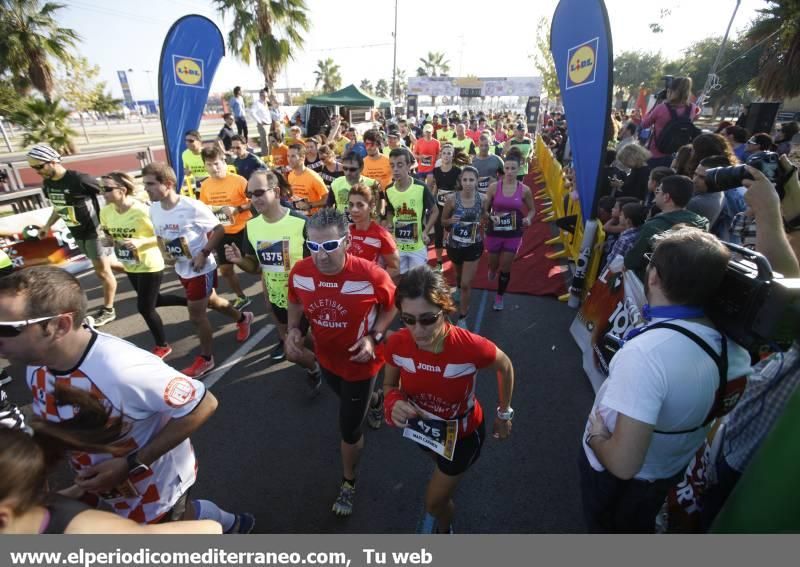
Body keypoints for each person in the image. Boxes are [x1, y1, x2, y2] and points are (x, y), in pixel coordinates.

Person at [0, 266, 254, 532]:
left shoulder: (123, 369)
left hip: (155, 484)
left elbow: (204, 404)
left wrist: (132, 463)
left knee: (168, 531)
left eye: (8, 329)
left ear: (59, 325)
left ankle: (227, 524)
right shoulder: (35, 365)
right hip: (106, 482)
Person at [580, 228, 752, 533]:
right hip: (667, 470)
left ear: (654, 277)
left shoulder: (647, 355)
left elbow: (623, 464)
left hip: (617, 481)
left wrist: (596, 436)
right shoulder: (736, 351)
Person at [383, 265, 514, 533]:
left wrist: (504, 414)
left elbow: (505, 366)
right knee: (440, 472)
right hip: (424, 431)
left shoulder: (470, 347)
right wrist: (392, 403)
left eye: (428, 319)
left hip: (464, 436)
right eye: (408, 319)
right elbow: (388, 384)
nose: (417, 330)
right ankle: (447, 480)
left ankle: (445, 530)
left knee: (434, 503)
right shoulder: (397, 343)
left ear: (445, 310)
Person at [286, 208, 397, 516]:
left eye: (330, 246)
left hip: (361, 365)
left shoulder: (371, 274)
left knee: (349, 428)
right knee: (349, 399)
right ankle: (376, 400)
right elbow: (294, 300)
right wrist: (294, 330)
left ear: (347, 242)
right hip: (326, 359)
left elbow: (391, 308)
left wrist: (374, 337)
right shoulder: (300, 272)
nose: (321, 255)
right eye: (314, 245)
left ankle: (348, 482)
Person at [0, 397, 221, 534]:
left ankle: (224, 518)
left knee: (179, 516)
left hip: (162, 489)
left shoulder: (83, 531)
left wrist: (132, 463)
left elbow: (208, 531)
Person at [144, 162, 253, 378]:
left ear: (168, 184)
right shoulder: (154, 208)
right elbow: (160, 236)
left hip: (200, 269)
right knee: (212, 301)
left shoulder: (191, 207)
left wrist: (204, 253)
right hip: (181, 267)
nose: (146, 189)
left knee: (196, 315)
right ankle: (243, 318)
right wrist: (164, 253)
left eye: (150, 184)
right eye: (145, 184)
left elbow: (219, 229)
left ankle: (205, 359)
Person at [224, 169, 321, 383]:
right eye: (250, 194)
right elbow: (255, 267)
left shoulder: (301, 223)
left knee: (296, 349)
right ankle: (319, 366)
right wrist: (240, 260)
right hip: (278, 298)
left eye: (259, 192)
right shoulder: (252, 227)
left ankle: (321, 367)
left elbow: (318, 264)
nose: (254, 199)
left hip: (306, 297)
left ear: (276, 192)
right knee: (300, 343)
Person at [26, 144, 121, 328]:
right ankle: (143, 277)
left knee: (102, 272)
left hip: (95, 231)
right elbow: (58, 206)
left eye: (39, 166)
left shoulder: (79, 179)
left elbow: (110, 193)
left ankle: (109, 310)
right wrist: (47, 225)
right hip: (77, 232)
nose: (37, 171)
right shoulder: (48, 183)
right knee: (110, 265)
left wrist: (117, 217)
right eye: (33, 168)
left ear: (53, 162)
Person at [99, 172, 186, 358]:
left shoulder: (141, 211)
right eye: (101, 189)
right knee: (156, 300)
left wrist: (140, 243)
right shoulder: (106, 211)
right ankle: (194, 303)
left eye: (106, 189)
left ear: (122, 191)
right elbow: (109, 235)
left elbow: (159, 236)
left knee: (145, 307)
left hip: (149, 263)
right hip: (130, 264)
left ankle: (162, 345)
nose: (102, 193)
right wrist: (108, 241)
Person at [198, 146, 253, 310]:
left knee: (252, 267)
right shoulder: (206, 185)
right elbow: (204, 207)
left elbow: (255, 201)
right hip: (222, 232)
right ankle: (242, 297)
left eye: (216, 164)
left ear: (224, 161)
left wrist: (238, 209)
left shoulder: (239, 181)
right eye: (209, 165)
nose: (213, 168)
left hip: (244, 230)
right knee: (226, 269)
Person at [482, 147, 535, 311]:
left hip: (514, 232)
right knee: (493, 263)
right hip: (495, 231)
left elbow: (533, 210)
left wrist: (528, 219)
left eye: (513, 168)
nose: (510, 172)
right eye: (507, 168)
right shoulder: (493, 187)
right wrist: (490, 216)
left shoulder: (524, 190)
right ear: (503, 168)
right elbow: (484, 210)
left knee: (505, 266)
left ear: (519, 169)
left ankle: (499, 297)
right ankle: (492, 269)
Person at [624, 175, 709, 275]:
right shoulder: (702, 223)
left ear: (666, 197)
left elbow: (632, 261)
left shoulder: (654, 226)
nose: (656, 194)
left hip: (652, 281)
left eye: (659, 190)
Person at [441, 166, 484, 328]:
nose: (468, 183)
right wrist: (449, 222)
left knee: (467, 283)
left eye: (471, 180)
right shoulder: (452, 199)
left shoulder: (483, 199)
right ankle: (458, 287)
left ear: (477, 181)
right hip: (455, 245)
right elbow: (443, 220)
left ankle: (463, 317)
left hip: (474, 245)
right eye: (465, 180)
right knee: (458, 276)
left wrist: (487, 220)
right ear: (460, 181)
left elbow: (485, 215)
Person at [386, 148, 439, 274]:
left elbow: (435, 211)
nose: (395, 169)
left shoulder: (421, 187)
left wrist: (426, 231)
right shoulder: (388, 190)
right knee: (399, 280)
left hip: (418, 246)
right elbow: (389, 211)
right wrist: (390, 224)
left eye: (400, 165)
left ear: (409, 165)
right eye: (392, 166)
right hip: (398, 245)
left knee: (417, 282)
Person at [641, 76, 699, 167]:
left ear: (671, 91)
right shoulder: (693, 108)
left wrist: (657, 103)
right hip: (676, 157)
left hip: (655, 154)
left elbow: (644, 124)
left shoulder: (661, 108)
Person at [347, 182, 399, 280]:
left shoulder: (382, 235)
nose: (354, 209)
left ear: (371, 206)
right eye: (351, 205)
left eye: (360, 205)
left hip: (371, 293)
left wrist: (372, 282)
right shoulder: (345, 233)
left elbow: (395, 268)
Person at [427, 143, 462, 270]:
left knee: (452, 230)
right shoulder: (436, 171)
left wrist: (455, 198)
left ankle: (455, 256)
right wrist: (431, 203)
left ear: (452, 156)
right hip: (439, 205)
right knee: (438, 233)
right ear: (440, 155)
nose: (446, 155)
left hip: (453, 206)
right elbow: (436, 188)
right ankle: (439, 262)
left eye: (449, 153)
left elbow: (461, 188)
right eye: (444, 153)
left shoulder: (458, 171)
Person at [601, 202, 646, 273]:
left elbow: (611, 263)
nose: (619, 216)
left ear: (628, 221)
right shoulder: (640, 233)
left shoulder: (624, 240)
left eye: (622, 215)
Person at [688, 155, 730, 232]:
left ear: (717, 179)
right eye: (695, 174)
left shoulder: (696, 203)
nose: (694, 180)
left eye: (702, 177)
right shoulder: (719, 192)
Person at [287, 143, 329, 216]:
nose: (289, 159)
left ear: (302, 157)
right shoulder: (290, 175)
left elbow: (327, 199)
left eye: (293, 156)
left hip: (314, 219)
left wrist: (310, 205)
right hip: (298, 217)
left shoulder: (313, 177)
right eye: (288, 156)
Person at [250, 88, 272, 157]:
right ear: (260, 96)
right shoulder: (257, 103)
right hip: (263, 125)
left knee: (270, 142)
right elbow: (252, 112)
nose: (265, 97)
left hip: (269, 124)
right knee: (265, 143)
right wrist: (260, 121)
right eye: (263, 96)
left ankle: (269, 156)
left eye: (266, 96)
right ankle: (265, 157)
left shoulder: (267, 102)